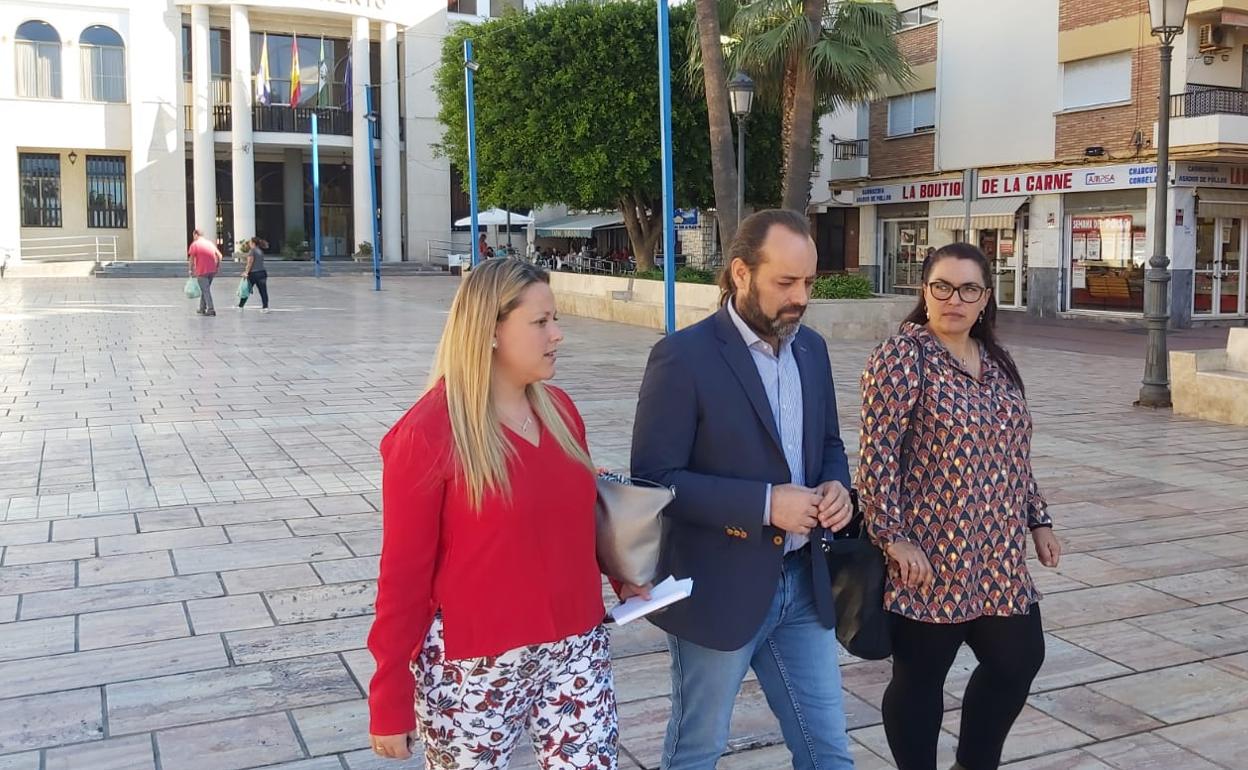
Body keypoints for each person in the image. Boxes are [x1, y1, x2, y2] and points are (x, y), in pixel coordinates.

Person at [366, 258, 630, 769]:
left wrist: (628, 579)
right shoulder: (427, 435)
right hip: (474, 668)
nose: (558, 335)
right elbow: (402, 577)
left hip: (575, 648)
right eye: (540, 322)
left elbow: (580, 523)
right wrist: (388, 697)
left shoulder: (561, 412)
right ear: (490, 330)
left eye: (556, 319)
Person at [631, 209, 856, 770]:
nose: (800, 297)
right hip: (718, 590)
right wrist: (764, 505)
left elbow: (827, 442)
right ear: (740, 273)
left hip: (805, 587)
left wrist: (837, 487)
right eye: (785, 282)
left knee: (830, 753)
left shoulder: (813, 350)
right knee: (697, 753)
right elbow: (654, 482)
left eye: (808, 282)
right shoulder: (683, 357)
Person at [857, 242, 1062, 770]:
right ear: (923, 291)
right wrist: (893, 537)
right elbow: (876, 455)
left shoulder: (996, 361)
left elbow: (1015, 450)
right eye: (942, 286)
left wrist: (1037, 519)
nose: (955, 299)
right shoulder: (904, 357)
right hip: (931, 558)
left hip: (997, 557)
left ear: (985, 298)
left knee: (1018, 661)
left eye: (969, 289)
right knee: (921, 679)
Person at [187, 229, 222, 316]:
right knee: (205, 289)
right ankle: (202, 308)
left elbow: (191, 259)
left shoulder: (195, 244)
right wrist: (216, 266)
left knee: (205, 290)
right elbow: (220, 255)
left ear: (196, 234)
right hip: (212, 270)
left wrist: (190, 270)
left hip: (202, 270)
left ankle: (211, 309)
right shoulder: (210, 243)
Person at [238, 237, 271, 313]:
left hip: (253, 273)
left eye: (250, 242)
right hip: (262, 272)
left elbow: (250, 263)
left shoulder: (252, 251)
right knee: (263, 291)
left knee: (246, 290)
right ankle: (265, 307)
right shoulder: (260, 251)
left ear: (253, 243)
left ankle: (240, 305)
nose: (249, 243)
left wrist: (246, 272)